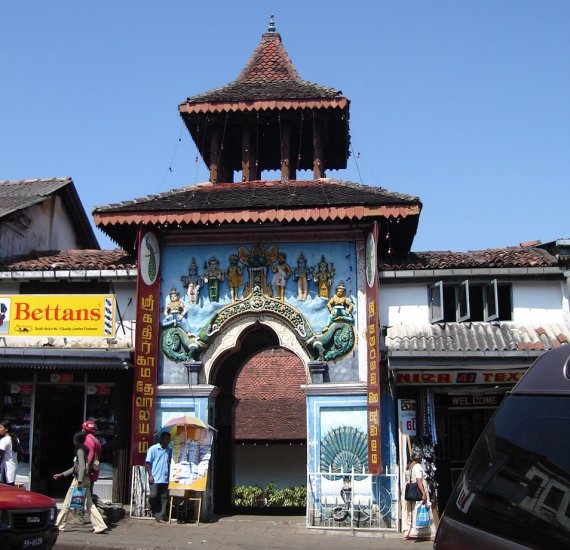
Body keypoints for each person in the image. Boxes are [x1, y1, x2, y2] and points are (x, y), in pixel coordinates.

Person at [53, 432, 107, 534]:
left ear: (76, 440)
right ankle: (100, 525)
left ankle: (59, 524)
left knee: (67, 502)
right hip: (87, 479)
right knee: (90, 504)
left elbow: (81, 467)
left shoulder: (79, 450)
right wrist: (62, 474)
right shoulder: (85, 450)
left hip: (80, 479)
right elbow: (76, 467)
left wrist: (79, 482)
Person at [404, 450, 431, 541]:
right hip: (418, 491)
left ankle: (409, 531)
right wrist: (423, 493)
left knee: (411, 512)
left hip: (410, 491)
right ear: (418, 458)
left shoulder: (409, 466)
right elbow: (419, 481)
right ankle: (421, 532)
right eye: (420, 457)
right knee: (419, 511)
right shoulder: (418, 466)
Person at [145, 432, 172, 523]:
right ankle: (151, 506)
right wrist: (150, 475)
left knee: (163, 498)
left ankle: (160, 516)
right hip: (155, 477)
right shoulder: (153, 449)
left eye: (169, 439)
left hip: (164, 478)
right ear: (161, 439)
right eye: (166, 439)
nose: (167, 441)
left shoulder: (169, 450)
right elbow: (148, 463)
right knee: (153, 495)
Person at [82, 420, 102, 494]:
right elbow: (97, 458)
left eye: (83, 429)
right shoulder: (96, 440)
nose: (82, 430)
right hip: (94, 469)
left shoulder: (88, 440)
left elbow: (90, 456)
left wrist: (86, 471)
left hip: (89, 471)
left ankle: (89, 505)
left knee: (85, 493)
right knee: (89, 491)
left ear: (86, 430)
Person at [0, 419, 19, 485]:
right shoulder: (16, 438)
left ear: (6, 429)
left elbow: (1, 455)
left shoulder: (4, 440)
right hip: (13, 467)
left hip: (6, 468)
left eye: (1, 427)